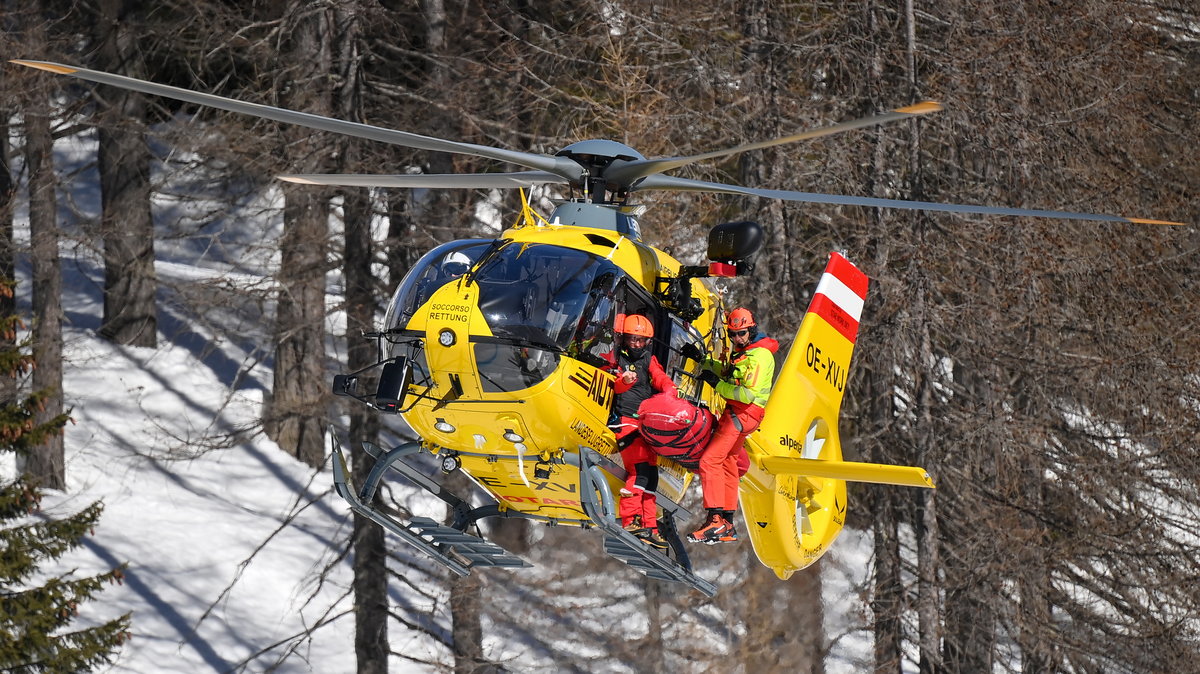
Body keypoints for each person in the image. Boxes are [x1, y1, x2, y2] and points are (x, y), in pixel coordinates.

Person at [687, 307, 778, 544]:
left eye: (742, 333)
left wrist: (716, 384)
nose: (737, 338)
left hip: (743, 413)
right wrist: (703, 361)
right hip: (741, 414)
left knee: (709, 460)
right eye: (733, 334)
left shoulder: (759, 356)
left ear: (752, 330)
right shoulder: (745, 352)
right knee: (728, 462)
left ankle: (715, 519)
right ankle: (727, 521)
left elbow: (747, 394)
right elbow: (730, 373)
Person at [608, 313, 677, 551]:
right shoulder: (617, 358)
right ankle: (631, 520)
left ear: (648, 341)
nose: (636, 344)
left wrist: (670, 391)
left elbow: (660, 378)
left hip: (644, 424)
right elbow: (615, 386)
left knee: (651, 476)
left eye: (641, 340)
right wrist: (625, 380)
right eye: (632, 339)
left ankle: (650, 526)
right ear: (625, 338)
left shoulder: (649, 359)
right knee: (639, 471)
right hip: (625, 422)